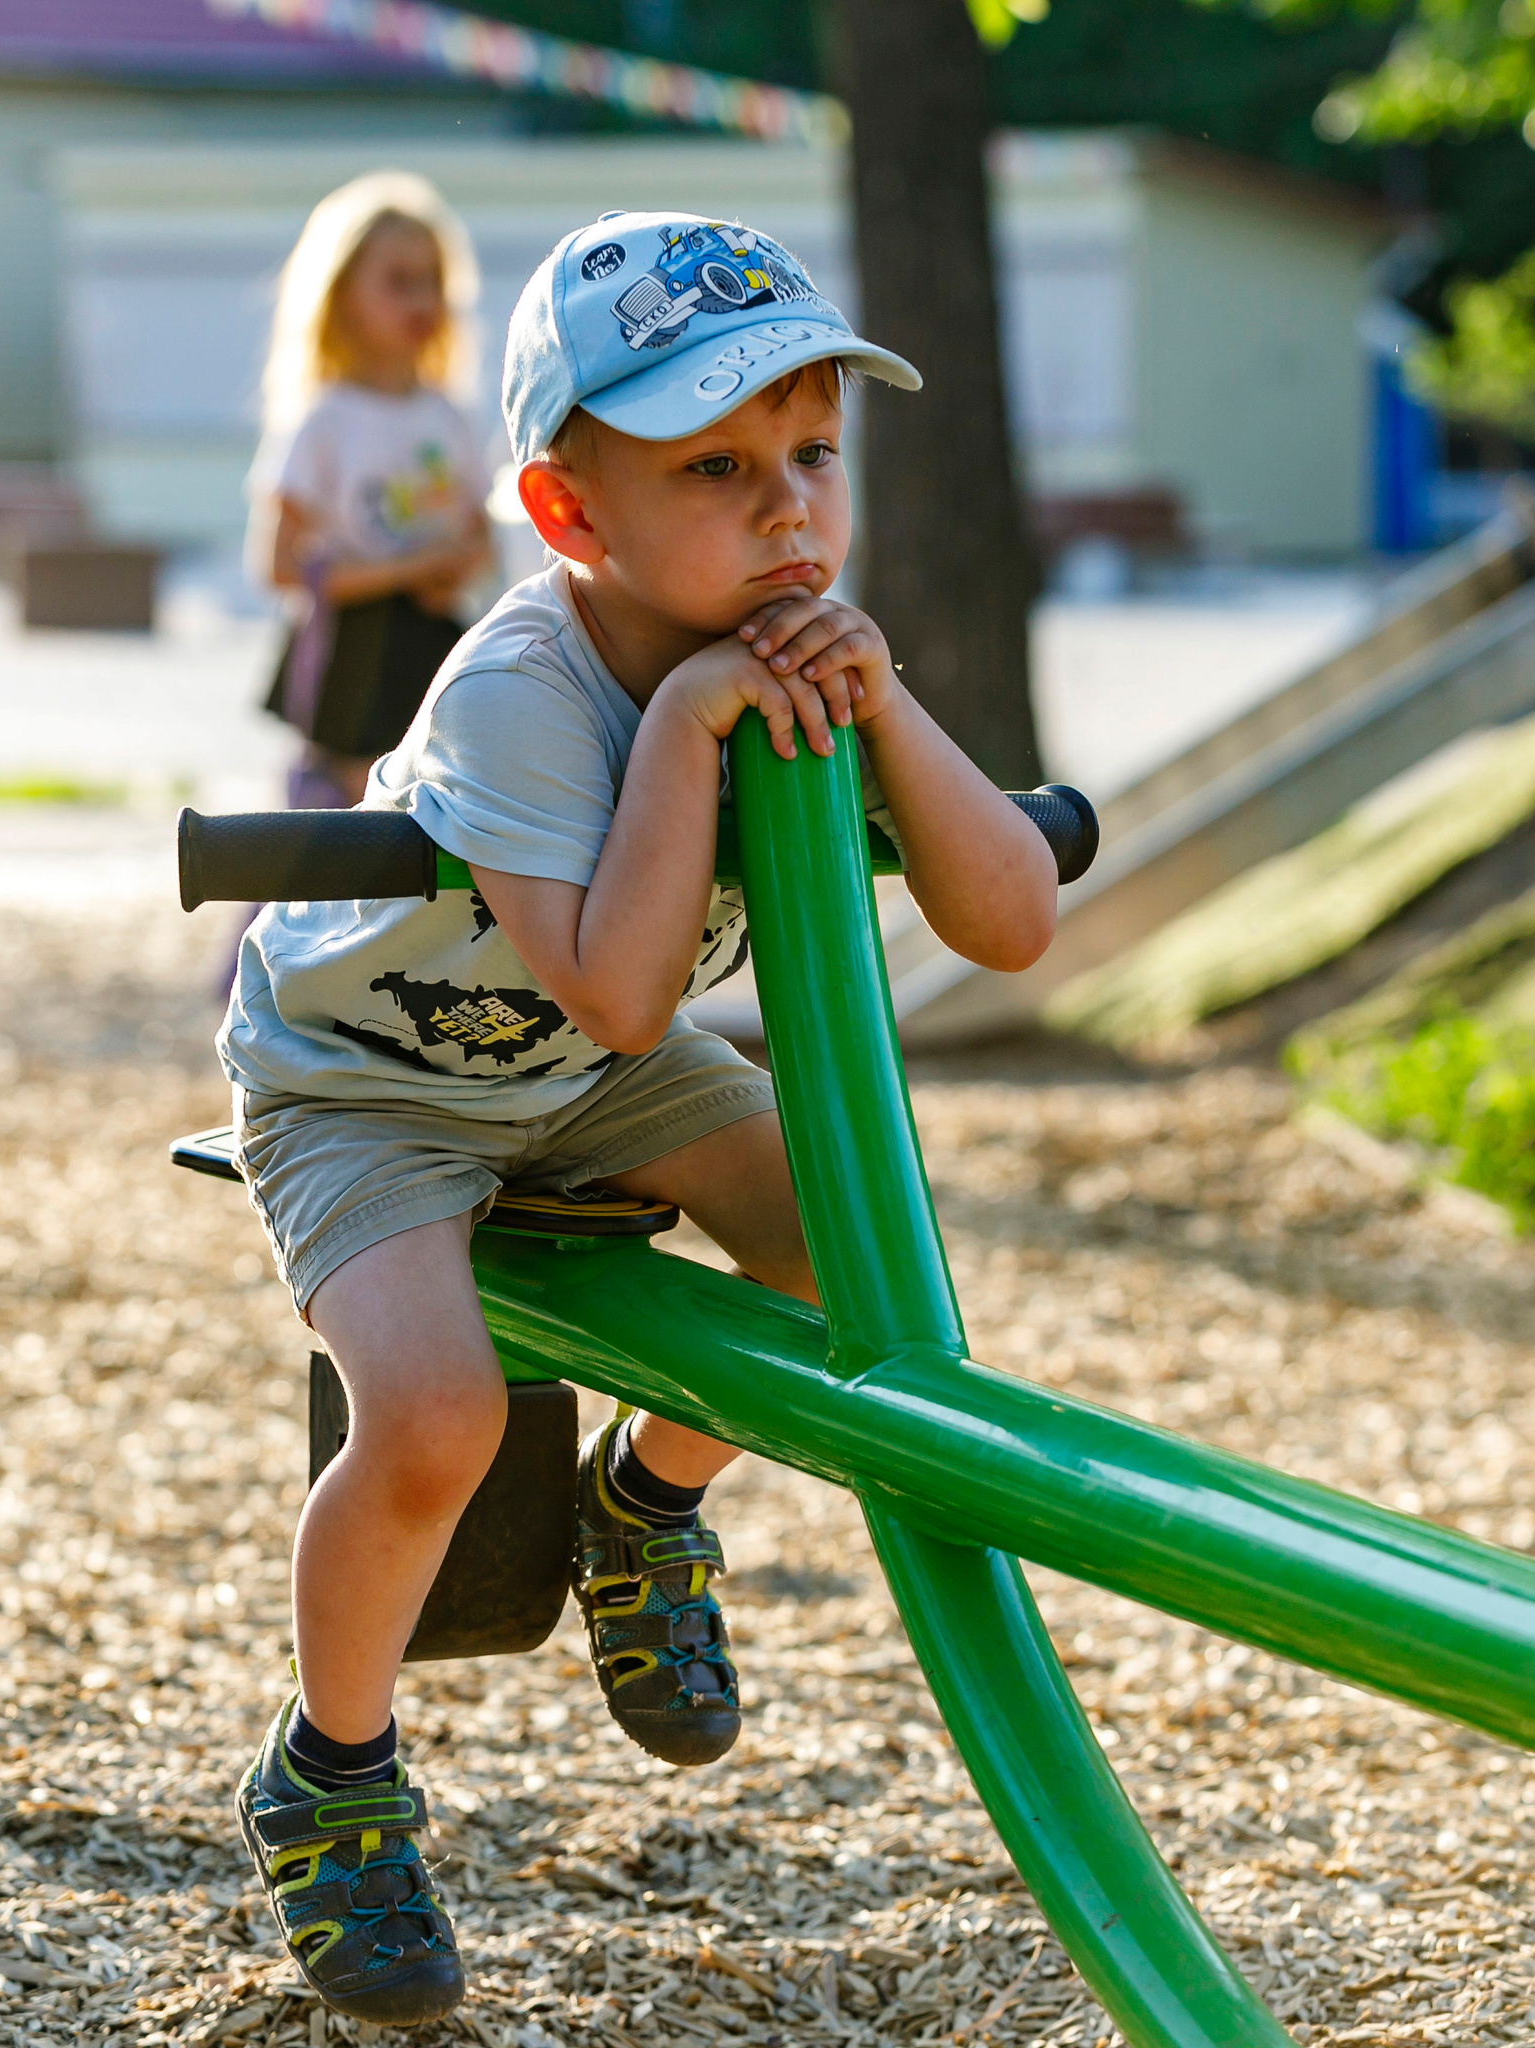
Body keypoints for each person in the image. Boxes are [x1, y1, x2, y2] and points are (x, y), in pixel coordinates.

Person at [215, 212, 1061, 2025]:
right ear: (569, 512)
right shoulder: (527, 692)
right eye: (716, 468)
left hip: (586, 1074)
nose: (789, 513)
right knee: (435, 1416)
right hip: (371, 1077)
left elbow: (1010, 920)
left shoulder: (806, 648)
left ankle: (642, 1495)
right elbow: (617, 984)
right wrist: (683, 729)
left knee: (857, 1252)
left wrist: (888, 701)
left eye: (812, 454)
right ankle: (331, 1770)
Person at [249, 172, 498, 811]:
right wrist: (410, 569)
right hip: (352, 649)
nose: (422, 298)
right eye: (398, 281)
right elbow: (277, 566)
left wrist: (455, 569)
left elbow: (481, 537)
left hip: (436, 638)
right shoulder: (323, 420)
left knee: (436, 803)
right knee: (361, 815)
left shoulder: (448, 416)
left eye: (433, 280)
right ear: (341, 296)